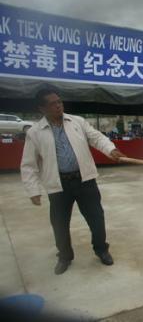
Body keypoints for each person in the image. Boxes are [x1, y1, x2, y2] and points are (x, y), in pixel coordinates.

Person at [20, 88, 125, 275]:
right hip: (58, 185)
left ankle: (101, 249)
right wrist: (33, 190)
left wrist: (111, 149)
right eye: (52, 103)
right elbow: (28, 165)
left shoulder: (77, 122)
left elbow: (97, 138)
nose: (58, 105)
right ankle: (65, 256)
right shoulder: (35, 133)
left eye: (59, 101)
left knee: (96, 218)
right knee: (59, 224)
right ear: (41, 108)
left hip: (85, 180)